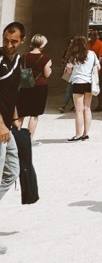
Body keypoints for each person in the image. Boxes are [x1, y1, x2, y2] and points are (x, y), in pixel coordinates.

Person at [1, 22, 26, 250]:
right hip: (0, 128)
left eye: (13, 42)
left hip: (7, 126)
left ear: (22, 41)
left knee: (12, 172)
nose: (9, 45)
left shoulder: (18, 60)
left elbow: (12, 92)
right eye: (6, 40)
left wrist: (16, 119)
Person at [15, 34, 52, 141]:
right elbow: (47, 74)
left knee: (21, 114)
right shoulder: (45, 58)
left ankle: (16, 137)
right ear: (42, 44)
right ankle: (29, 139)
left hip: (25, 86)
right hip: (39, 87)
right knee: (34, 115)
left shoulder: (24, 56)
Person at [64, 34, 99, 142]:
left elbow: (68, 71)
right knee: (87, 109)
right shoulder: (92, 54)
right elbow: (98, 67)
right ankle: (86, 134)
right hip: (89, 82)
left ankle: (78, 134)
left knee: (79, 110)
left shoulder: (73, 56)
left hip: (78, 82)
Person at [87, 30, 102, 111]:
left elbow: (101, 57)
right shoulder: (87, 43)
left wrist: (95, 65)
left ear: (97, 35)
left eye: (94, 34)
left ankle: (100, 105)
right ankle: (87, 105)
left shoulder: (100, 44)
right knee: (88, 87)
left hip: (98, 69)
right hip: (89, 69)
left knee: (99, 86)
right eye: (91, 34)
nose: (93, 36)